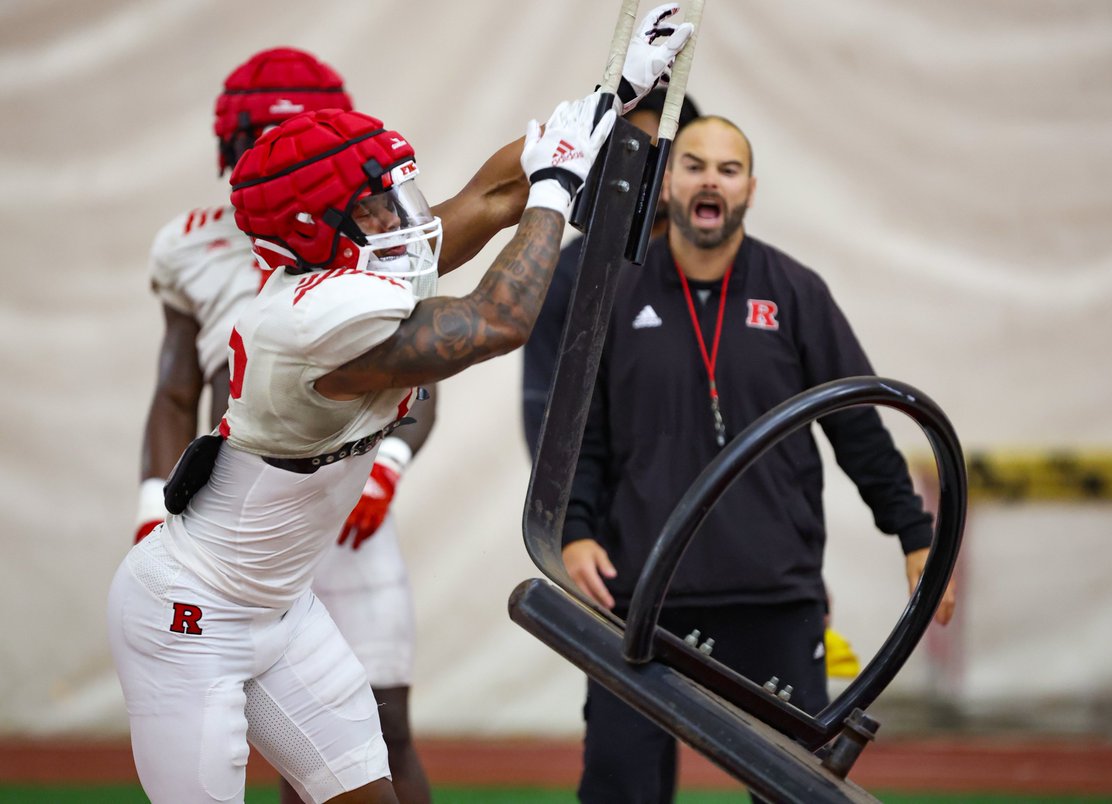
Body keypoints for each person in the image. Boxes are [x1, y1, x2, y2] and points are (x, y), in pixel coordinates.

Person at [107, 11, 691, 803]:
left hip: (282, 608)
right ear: (320, 227)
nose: (405, 212)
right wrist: (559, 187)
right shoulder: (310, 322)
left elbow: (491, 194)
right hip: (189, 614)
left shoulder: (348, 269)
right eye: (380, 201)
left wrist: (614, 95)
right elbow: (496, 320)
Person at [561, 115, 957, 804]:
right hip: (642, 599)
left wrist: (916, 536)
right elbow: (581, 436)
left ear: (749, 188)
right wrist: (574, 531)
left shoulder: (796, 291)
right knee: (618, 787)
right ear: (666, 183)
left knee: (794, 794)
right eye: (693, 164)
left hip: (773, 595)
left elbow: (859, 425)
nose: (710, 178)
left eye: (728, 167)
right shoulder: (616, 294)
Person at [135, 47, 435, 804]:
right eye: (262, 143)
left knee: (375, 732)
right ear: (232, 149)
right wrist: (150, 506)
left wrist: (391, 467)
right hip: (241, 521)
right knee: (269, 743)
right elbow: (177, 391)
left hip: (340, 509)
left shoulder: (371, 233)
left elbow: (428, 367)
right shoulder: (189, 244)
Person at [521, 87, 700, 457]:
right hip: (614, 504)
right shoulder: (571, 274)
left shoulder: (732, 270)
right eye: (644, 154)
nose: (662, 172)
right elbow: (545, 413)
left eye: (679, 157)